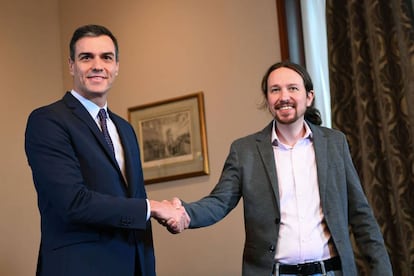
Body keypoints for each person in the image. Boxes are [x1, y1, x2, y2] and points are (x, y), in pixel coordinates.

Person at [167, 61, 393, 275]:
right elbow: (219, 202)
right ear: (267, 99)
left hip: (331, 271)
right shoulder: (244, 151)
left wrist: (382, 270)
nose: (284, 97)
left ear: (309, 97)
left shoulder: (335, 143)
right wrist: (185, 213)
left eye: (293, 88)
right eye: (275, 90)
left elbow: (360, 214)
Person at [25, 24, 189, 276]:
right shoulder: (48, 121)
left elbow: (130, 198)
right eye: (86, 57)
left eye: (106, 57)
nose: (98, 65)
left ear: (116, 67)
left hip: (135, 265)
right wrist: (154, 207)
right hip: (79, 267)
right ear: (71, 65)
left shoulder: (124, 128)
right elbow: (73, 202)